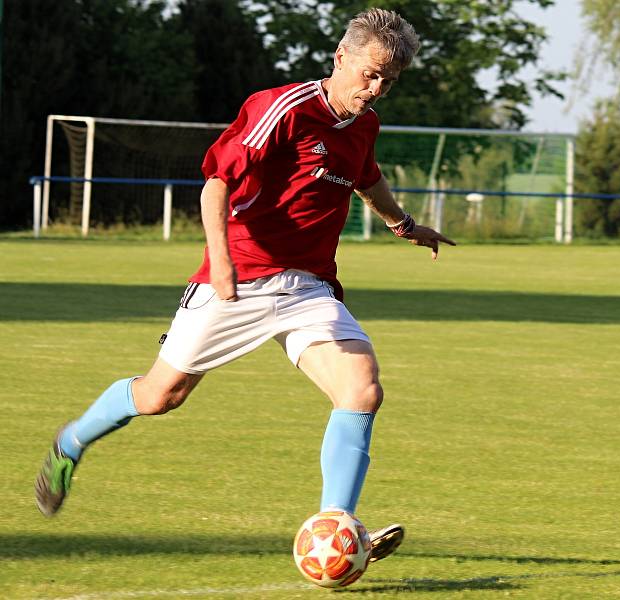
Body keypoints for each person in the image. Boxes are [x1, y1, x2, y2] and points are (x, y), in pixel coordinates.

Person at [34, 8, 454, 564]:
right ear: (341, 58)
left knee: (361, 390)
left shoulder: (364, 125)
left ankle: (335, 525)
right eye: (370, 74)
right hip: (239, 278)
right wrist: (222, 260)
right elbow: (216, 184)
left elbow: (366, 179)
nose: (375, 89)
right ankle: (73, 440)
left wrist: (403, 225)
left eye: (388, 81)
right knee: (161, 396)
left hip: (307, 289)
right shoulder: (281, 108)